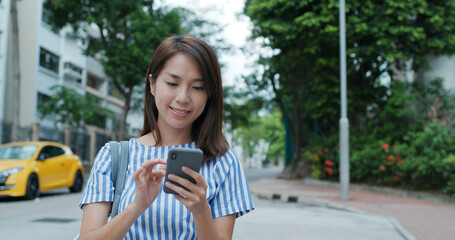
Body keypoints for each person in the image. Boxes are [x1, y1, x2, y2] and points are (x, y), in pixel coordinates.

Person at [78, 35, 254, 239]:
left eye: (198, 87)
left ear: (209, 95)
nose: (183, 97)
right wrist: (136, 206)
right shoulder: (113, 156)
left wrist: (200, 210)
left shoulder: (223, 162)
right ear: (152, 84)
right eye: (172, 83)